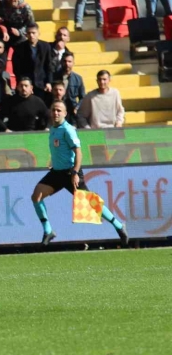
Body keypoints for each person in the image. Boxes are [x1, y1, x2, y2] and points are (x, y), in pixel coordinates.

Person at [31, 100, 128, 247]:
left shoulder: (68, 129)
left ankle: (119, 225)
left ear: (65, 113)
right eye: (53, 110)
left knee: (90, 203)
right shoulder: (53, 129)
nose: (56, 113)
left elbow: (79, 153)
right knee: (36, 196)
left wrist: (75, 173)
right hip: (57, 173)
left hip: (70, 173)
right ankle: (48, 231)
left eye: (59, 110)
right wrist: (53, 160)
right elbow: (60, 149)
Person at [11, 23, 53, 101]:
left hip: (41, 83)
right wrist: (23, 83)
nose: (31, 35)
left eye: (33, 33)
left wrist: (48, 82)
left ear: (38, 34)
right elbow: (16, 68)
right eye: (29, 33)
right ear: (26, 34)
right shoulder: (19, 48)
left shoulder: (45, 46)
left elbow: (48, 66)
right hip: (25, 84)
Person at [58, 53, 85, 118]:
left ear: (73, 63)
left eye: (69, 61)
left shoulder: (78, 78)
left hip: (72, 112)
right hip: (58, 110)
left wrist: (77, 107)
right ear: (61, 62)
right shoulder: (54, 77)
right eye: (65, 61)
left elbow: (82, 97)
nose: (67, 64)